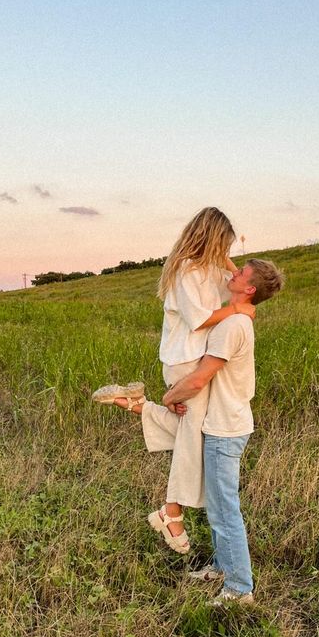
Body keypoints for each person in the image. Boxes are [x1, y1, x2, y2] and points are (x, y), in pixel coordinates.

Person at [107, 258, 284, 605]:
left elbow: (201, 377)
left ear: (249, 289)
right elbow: (238, 276)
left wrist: (170, 395)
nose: (232, 273)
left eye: (241, 273)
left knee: (224, 509)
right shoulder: (237, 316)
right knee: (218, 505)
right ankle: (220, 567)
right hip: (223, 423)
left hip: (224, 429)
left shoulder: (232, 326)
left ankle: (239, 588)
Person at [92, 207, 255, 553]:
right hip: (184, 361)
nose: (226, 254)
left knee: (191, 429)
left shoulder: (209, 267)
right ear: (210, 239)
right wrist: (240, 311)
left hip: (196, 358)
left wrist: (226, 261)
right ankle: (171, 512)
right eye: (221, 244)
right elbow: (199, 319)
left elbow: (239, 281)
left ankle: (135, 404)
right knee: (194, 435)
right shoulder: (185, 270)